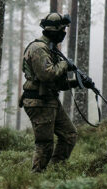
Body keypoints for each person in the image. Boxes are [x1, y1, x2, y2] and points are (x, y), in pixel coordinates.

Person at [21, 13, 93, 172]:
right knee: (45, 144)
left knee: (69, 135)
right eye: (62, 30)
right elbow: (47, 75)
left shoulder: (51, 50)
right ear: (53, 30)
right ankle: (37, 179)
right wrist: (66, 65)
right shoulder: (39, 48)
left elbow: (58, 83)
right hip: (39, 101)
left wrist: (79, 83)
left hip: (49, 100)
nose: (64, 34)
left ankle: (54, 173)